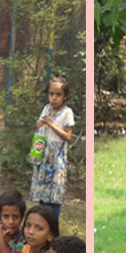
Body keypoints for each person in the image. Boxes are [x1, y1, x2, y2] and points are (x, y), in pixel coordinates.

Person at [28, 75, 73, 218]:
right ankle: (42, 221)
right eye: (51, 94)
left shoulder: (67, 112)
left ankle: (53, 224)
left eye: (58, 94)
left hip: (57, 157)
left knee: (55, 192)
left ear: (65, 96)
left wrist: (51, 124)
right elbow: (39, 125)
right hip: (43, 154)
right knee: (42, 191)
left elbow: (67, 136)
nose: (54, 98)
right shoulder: (46, 108)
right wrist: (40, 123)